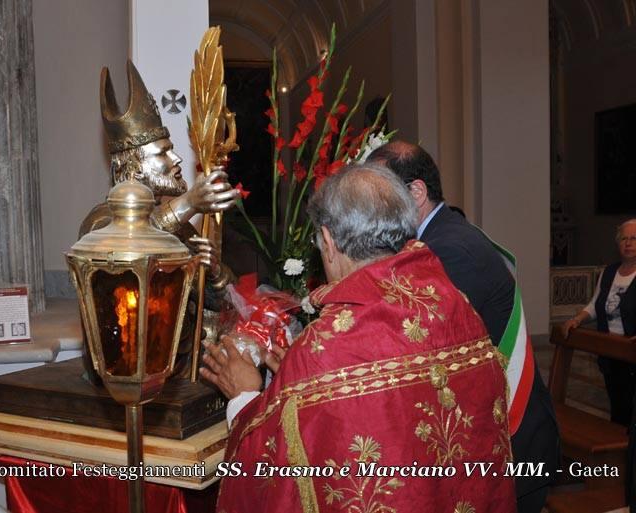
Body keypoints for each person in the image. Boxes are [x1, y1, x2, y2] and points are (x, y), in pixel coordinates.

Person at [203, 164, 516, 512]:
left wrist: (246, 397)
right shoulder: (455, 305)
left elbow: (272, 472)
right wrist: (295, 386)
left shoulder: (324, 348)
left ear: (329, 240)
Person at [368, 141, 559, 513]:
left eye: (382, 196)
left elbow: (420, 346)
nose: (376, 210)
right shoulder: (441, 234)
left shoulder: (449, 250)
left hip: (514, 446)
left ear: (416, 192)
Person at [78, 61, 240, 380]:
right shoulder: (101, 221)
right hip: (123, 373)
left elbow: (222, 301)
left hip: (178, 368)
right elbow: (131, 245)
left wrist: (215, 274)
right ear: (135, 168)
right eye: (164, 153)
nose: (177, 160)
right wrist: (188, 203)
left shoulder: (179, 227)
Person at [563, 219, 636, 425]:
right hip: (610, 351)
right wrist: (577, 319)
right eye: (624, 239)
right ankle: (617, 450)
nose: (628, 243)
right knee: (618, 408)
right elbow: (595, 305)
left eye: (633, 239)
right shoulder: (609, 272)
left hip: (632, 351)